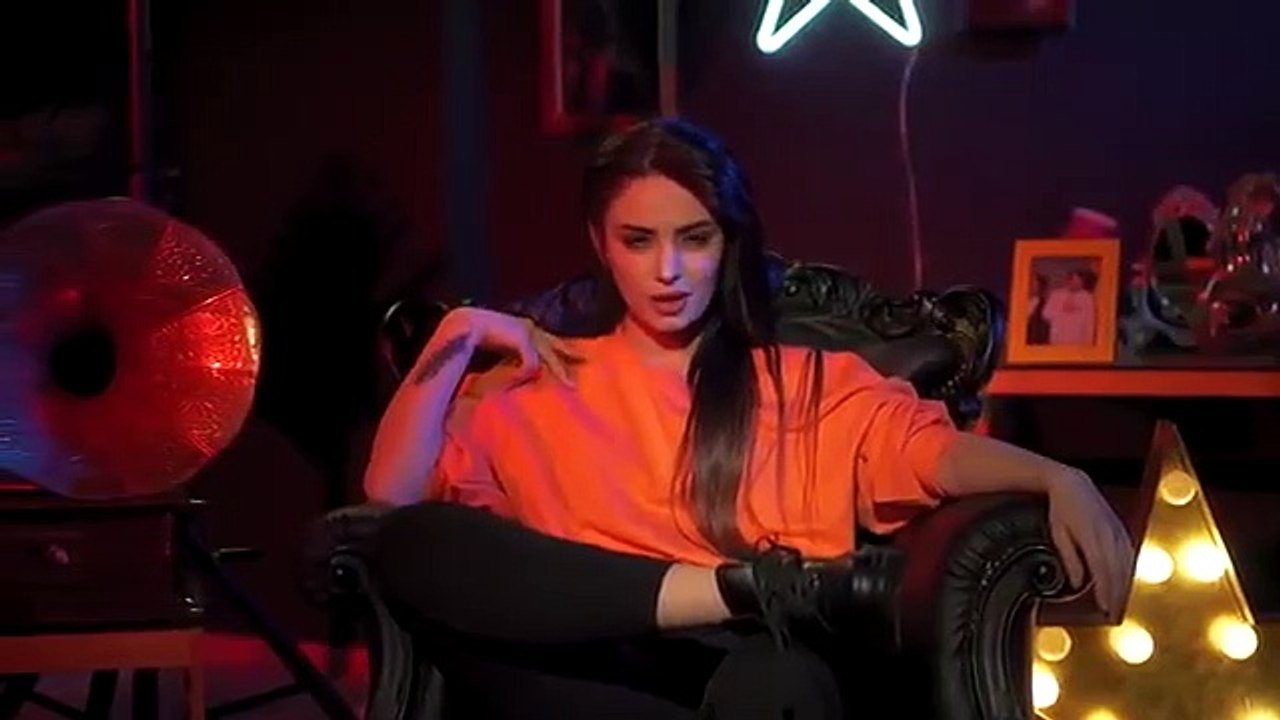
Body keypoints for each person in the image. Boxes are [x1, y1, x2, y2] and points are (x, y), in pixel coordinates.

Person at [363, 118, 1134, 719]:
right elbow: (390, 493)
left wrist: (1055, 475)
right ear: (601, 243)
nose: (668, 271)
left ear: (728, 243)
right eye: (639, 241)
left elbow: (933, 454)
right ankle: (735, 586)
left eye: (694, 239)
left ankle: (742, 601)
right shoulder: (533, 384)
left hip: (743, 667)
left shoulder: (801, 381)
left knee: (781, 682)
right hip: (594, 668)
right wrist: (459, 331)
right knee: (407, 543)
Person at [1042, 268, 1098, 346]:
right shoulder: (1056, 295)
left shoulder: (1087, 298)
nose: (1076, 284)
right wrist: (1062, 309)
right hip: (1058, 339)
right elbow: (1046, 314)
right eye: (1074, 280)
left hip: (1078, 340)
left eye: (1079, 281)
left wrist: (1088, 343)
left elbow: (1089, 322)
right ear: (1068, 281)